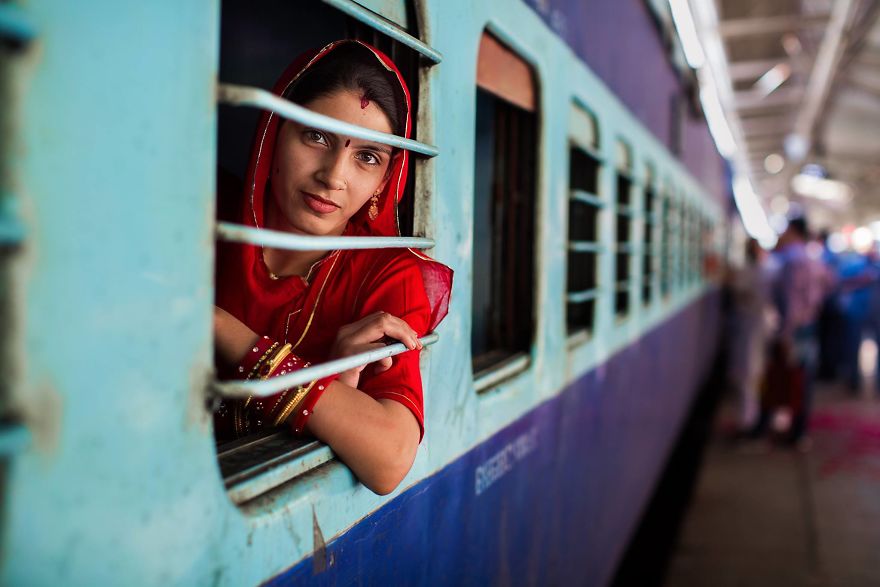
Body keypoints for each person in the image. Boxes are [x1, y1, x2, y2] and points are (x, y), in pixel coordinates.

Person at [212, 41, 452, 495]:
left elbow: (389, 458)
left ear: (385, 181)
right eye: (316, 135)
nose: (334, 175)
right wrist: (331, 385)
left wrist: (216, 326)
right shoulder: (204, 214)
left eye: (367, 157)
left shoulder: (388, 275)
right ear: (275, 131)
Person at [725, 239, 770, 433]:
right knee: (751, 375)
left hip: (750, 328)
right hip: (753, 328)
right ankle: (750, 419)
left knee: (748, 376)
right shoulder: (765, 273)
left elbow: (738, 292)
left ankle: (749, 421)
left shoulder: (751, 273)